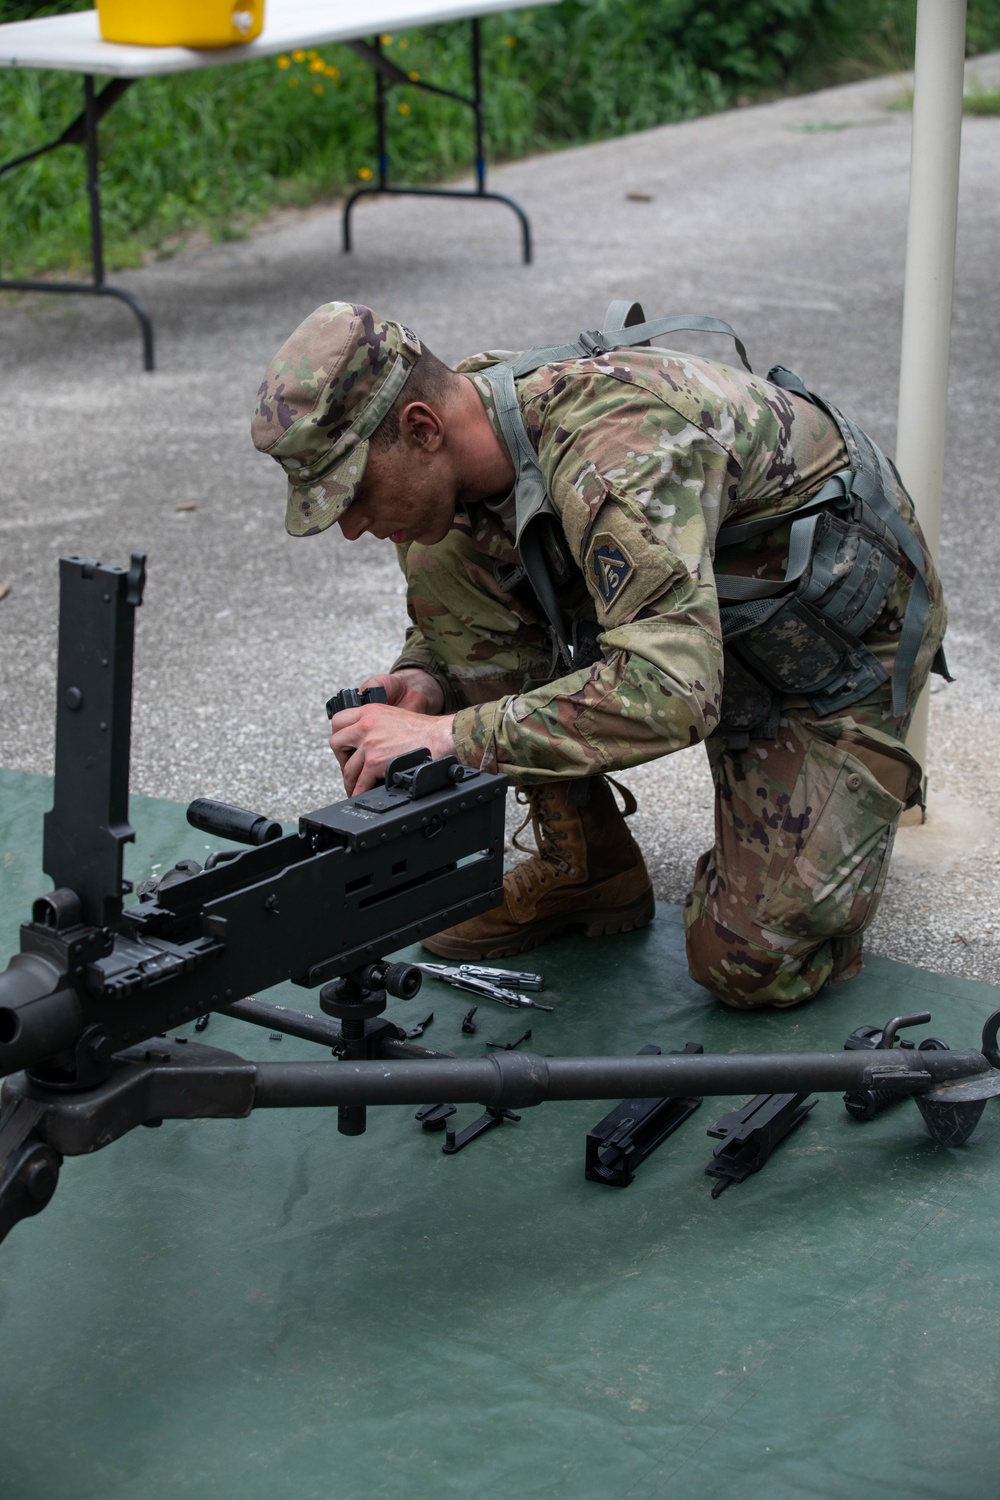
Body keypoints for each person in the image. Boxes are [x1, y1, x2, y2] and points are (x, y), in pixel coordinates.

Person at [251, 300, 948, 1009]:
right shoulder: (471, 424)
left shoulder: (615, 458)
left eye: (354, 490)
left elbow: (674, 693)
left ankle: (831, 823)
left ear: (421, 428)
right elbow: (492, 584)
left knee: (745, 962)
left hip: (822, 653)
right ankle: (586, 862)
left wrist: (449, 737)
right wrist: (424, 679)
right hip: (700, 614)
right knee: (443, 549)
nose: (351, 526)